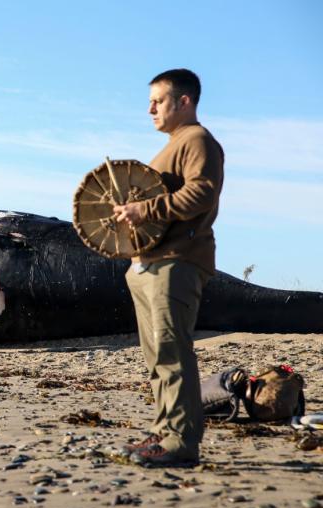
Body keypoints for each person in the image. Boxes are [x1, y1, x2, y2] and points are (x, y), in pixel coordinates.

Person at [112, 68, 224, 466]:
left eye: (158, 101)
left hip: (178, 263)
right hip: (149, 264)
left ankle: (181, 442)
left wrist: (144, 208)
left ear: (185, 102)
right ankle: (164, 431)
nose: (150, 109)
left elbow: (201, 194)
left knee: (172, 354)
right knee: (157, 357)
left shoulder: (196, 140)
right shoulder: (172, 145)